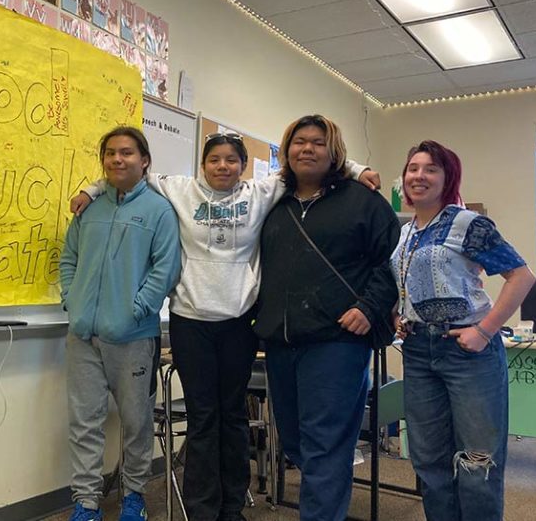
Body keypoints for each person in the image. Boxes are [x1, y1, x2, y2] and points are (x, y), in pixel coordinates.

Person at [71, 129, 378, 521]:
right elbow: (127, 170)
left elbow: (308, 163)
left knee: (232, 416)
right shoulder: (179, 190)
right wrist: (91, 191)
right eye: (214, 160)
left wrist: (357, 168)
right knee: (202, 418)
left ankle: (232, 507)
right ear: (203, 165)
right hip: (190, 321)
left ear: (243, 166)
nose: (223, 166)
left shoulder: (261, 193)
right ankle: (202, 510)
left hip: (238, 323)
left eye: (231, 160)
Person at [251, 114, 400, 521]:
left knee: (325, 444)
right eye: (299, 141)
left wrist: (369, 308)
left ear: (334, 152)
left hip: (337, 342)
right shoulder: (272, 204)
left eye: (318, 142)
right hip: (282, 343)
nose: (308, 149)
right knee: (298, 443)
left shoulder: (363, 201)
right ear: (287, 149)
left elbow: (393, 265)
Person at [391, 140, 534, 521]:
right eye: (413, 168)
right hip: (420, 351)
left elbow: (521, 276)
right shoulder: (407, 233)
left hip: (468, 352)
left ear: (447, 177)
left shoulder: (467, 223)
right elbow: (411, 283)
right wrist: (400, 312)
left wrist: (485, 331)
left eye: (430, 169)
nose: (419, 176)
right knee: (429, 461)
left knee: (477, 462)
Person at [60, 126, 181, 521]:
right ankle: (87, 501)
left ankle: (134, 497)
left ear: (144, 160)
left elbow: (166, 268)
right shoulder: (88, 209)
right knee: (85, 423)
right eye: (110, 153)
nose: (117, 159)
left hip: (133, 338)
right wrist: (71, 300)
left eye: (127, 152)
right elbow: (68, 260)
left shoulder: (160, 211)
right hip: (82, 336)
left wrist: (137, 308)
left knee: (136, 424)